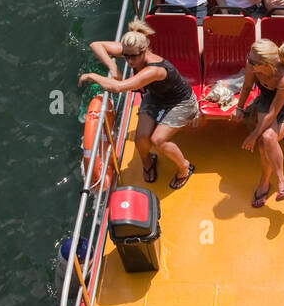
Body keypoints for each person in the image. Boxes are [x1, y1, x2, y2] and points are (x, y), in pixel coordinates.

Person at [81, 19, 197, 190]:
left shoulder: (154, 69)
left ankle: (184, 168)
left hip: (180, 102)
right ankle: (148, 161)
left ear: (145, 51)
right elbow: (96, 45)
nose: (129, 61)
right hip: (156, 96)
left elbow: (119, 87)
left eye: (133, 57)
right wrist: (113, 67)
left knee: (158, 140)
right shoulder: (132, 51)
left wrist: (92, 76)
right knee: (141, 138)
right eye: (125, 56)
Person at [233, 38, 284, 205]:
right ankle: (275, 183)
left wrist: (253, 135)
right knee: (265, 141)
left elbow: (274, 111)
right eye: (249, 57)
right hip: (267, 101)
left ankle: (274, 181)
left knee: (265, 139)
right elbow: (247, 87)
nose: (248, 61)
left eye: (252, 61)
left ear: (266, 64)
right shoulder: (252, 66)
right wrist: (239, 108)